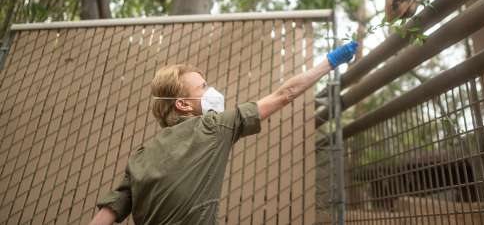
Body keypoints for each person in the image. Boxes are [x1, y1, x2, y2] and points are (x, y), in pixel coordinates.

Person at [88, 40, 359, 225]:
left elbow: (109, 212)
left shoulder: (141, 155)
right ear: (182, 104)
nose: (212, 92)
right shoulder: (213, 127)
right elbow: (284, 95)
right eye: (203, 87)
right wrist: (331, 61)